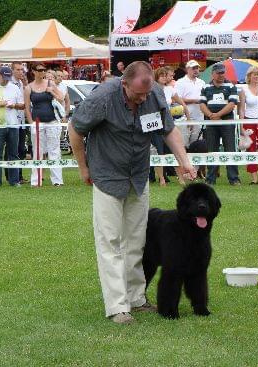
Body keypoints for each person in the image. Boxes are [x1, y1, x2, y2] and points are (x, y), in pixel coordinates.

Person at [68, 61, 196, 324]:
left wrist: (184, 161)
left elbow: (168, 130)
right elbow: (75, 130)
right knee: (110, 242)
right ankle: (117, 307)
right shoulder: (103, 97)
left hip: (138, 175)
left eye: (147, 93)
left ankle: (136, 299)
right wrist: (83, 167)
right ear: (124, 83)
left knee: (136, 240)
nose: (144, 98)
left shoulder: (156, 94)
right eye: (139, 93)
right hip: (106, 175)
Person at [199, 63, 241, 186]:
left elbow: (232, 104)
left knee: (230, 150)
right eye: (219, 73)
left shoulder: (231, 86)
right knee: (212, 150)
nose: (221, 75)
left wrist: (218, 115)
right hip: (211, 123)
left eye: (223, 73)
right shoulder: (205, 87)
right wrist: (211, 115)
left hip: (227, 121)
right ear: (213, 74)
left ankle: (234, 178)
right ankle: (210, 179)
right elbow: (202, 104)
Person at [24, 63, 63, 187]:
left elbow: (61, 97)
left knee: (54, 150)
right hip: (37, 123)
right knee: (37, 151)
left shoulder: (50, 84)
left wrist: (52, 92)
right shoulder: (28, 87)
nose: (42, 72)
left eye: (44, 70)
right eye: (40, 70)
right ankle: (36, 180)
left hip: (52, 121)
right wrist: (30, 122)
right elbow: (26, 107)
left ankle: (57, 181)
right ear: (33, 72)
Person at [154, 67, 191, 186]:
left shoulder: (170, 89)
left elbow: (182, 103)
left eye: (166, 75)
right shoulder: (152, 89)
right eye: (162, 75)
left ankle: (180, 178)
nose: (164, 77)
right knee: (159, 152)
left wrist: (188, 115)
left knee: (175, 150)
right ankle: (161, 179)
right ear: (156, 77)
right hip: (155, 124)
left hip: (168, 123)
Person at [175, 59, 206, 147]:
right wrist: (194, 100)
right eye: (193, 68)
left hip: (199, 116)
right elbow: (177, 99)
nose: (196, 70)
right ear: (187, 69)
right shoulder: (180, 82)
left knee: (196, 143)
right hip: (184, 117)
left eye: (197, 68)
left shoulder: (202, 82)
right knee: (184, 143)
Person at [11, 62, 28, 184]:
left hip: (21, 121)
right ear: (12, 71)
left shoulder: (22, 83)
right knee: (12, 149)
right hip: (11, 121)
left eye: (22, 69)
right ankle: (11, 176)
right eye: (18, 69)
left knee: (21, 149)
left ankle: (19, 175)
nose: (21, 72)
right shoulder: (9, 83)